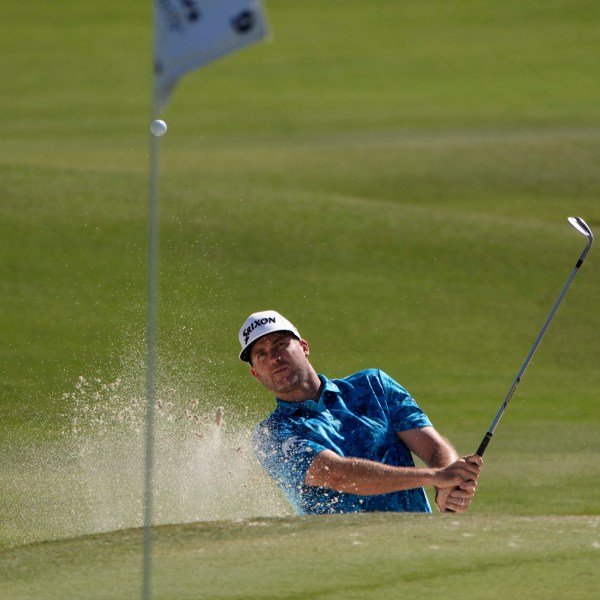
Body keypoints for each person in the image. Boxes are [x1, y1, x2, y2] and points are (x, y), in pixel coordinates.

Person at [239, 310, 482, 515]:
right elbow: (338, 475)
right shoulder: (271, 435)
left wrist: (447, 488)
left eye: (280, 344)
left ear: (304, 347)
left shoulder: (373, 385)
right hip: (340, 559)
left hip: (416, 543)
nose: (274, 358)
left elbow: (433, 446)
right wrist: (436, 477)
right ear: (256, 373)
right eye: (261, 354)